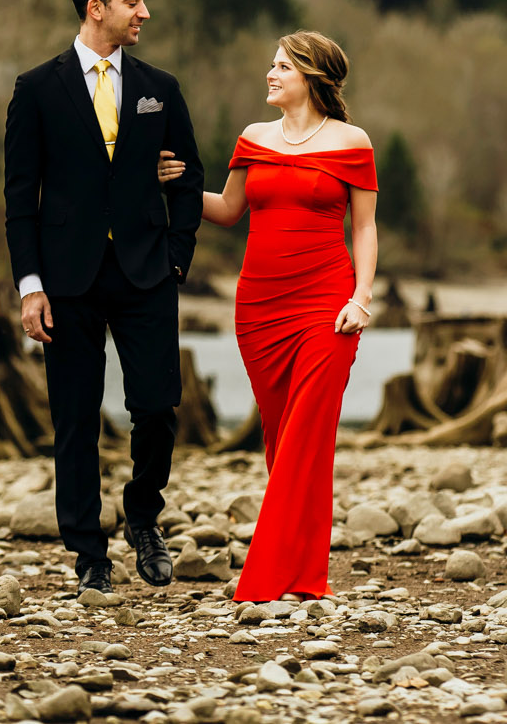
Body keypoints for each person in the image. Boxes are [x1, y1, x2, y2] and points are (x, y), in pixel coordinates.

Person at [5, 0, 205, 594]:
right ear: (97, 8)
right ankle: (88, 551)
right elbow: (20, 199)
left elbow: (190, 176)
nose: (145, 11)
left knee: (157, 408)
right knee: (74, 416)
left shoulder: (159, 89)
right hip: (66, 280)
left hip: (147, 273)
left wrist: (176, 256)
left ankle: (143, 519)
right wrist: (30, 287)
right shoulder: (36, 89)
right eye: (133, 1)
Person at [158, 30, 376, 601]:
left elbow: (366, 228)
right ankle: (305, 575)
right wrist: (177, 184)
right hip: (260, 307)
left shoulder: (353, 142)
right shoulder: (253, 138)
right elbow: (228, 210)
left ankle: (266, 577)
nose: (270, 73)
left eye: (282, 66)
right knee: (282, 438)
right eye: (272, 65)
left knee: (309, 432)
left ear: (310, 75)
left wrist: (363, 297)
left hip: (329, 303)